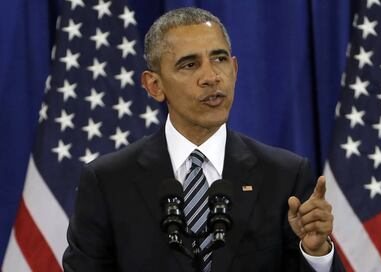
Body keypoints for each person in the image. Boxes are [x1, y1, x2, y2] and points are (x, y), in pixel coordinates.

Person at [63, 7, 344, 272]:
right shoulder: (108, 181)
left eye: (220, 59)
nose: (211, 77)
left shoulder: (284, 175)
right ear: (154, 85)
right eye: (189, 65)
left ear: (234, 69)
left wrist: (316, 253)